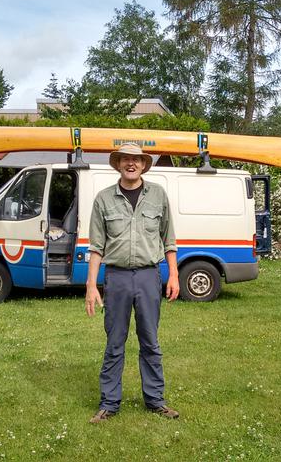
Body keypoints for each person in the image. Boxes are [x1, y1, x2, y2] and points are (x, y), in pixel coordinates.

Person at [85, 142, 180, 424]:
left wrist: (173, 274)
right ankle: (109, 403)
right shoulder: (104, 199)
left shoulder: (158, 196)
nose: (131, 164)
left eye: (136, 160)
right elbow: (96, 246)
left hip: (150, 276)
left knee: (150, 341)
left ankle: (155, 400)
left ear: (143, 165)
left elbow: (169, 240)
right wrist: (92, 285)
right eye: (125, 159)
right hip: (117, 278)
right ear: (118, 164)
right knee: (115, 342)